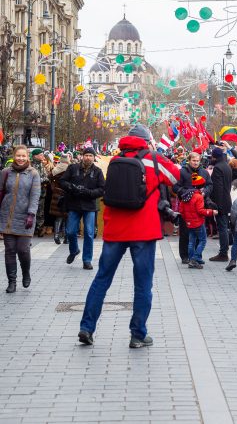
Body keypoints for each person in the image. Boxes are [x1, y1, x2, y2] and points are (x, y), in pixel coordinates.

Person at [78, 124, 180, 348]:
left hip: (115, 230)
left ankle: (86, 327)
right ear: (147, 141)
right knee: (143, 284)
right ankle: (138, 334)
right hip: (143, 231)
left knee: (102, 279)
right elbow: (176, 177)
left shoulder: (115, 160)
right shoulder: (153, 160)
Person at [0, 145, 41, 293]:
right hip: (7, 217)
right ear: (14, 156)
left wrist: (31, 214)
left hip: (25, 217)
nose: (21, 158)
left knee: (23, 250)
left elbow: (35, 196)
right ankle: (12, 282)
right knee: (10, 250)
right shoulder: (5, 172)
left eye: (23, 156)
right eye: (18, 156)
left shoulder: (33, 174)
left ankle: (26, 272)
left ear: (27, 157)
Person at [60, 147, 105, 270]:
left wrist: (88, 192)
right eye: (86, 155)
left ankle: (87, 260)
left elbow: (102, 189)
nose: (88, 157)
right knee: (70, 231)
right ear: (82, 156)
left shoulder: (97, 171)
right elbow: (62, 181)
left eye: (91, 155)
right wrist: (72, 187)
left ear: (94, 157)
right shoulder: (73, 168)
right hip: (74, 204)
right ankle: (74, 250)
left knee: (89, 233)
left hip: (89, 206)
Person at [172, 152, 213, 264]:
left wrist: (205, 192)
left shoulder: (204, 172)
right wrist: (186, 193)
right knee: (185, 233)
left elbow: (210, 185)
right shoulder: (182, 172)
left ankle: (196, 256)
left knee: (199, 234)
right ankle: (185, 256)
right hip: (186, 207)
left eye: (197, 160)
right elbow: (175, 186)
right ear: (189, 160)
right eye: (193, 160)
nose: (195, 163)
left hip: (199, 207)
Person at [179, 174, 217, 269]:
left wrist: (187, 219)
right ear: (201, 187)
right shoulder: (198, 197)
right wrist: (212, 212)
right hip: (198, 223)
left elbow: (181, 210)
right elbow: (200, 211)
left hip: (189, 223)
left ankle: (192, 258)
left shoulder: (186, 195)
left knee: (191, 241)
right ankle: (194, 259)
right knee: (203, 240)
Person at [209, 147, 233, 262]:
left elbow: (218, 189)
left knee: (222, 227)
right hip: (226, 200)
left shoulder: (218, 168)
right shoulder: (227, 166)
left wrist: (216, 205)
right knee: (224, 226)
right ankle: (224, 252)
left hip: (221, 202)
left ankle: (223, 253)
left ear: (215, 156)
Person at [49, 152, 71, 244]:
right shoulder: (70, 168)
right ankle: (66, 237)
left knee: (58, 216)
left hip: (57, 194)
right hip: (67, 194)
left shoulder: (56, 169)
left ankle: (56, 235)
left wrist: (53, 187)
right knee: (67, 216)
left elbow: (49, 177)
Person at [30, 148, 49, 237]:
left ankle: (40, 228)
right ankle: (31, 228)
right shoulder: (30, 165)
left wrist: (44, 179)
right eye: (40, 155)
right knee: (32, 209)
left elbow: (46, 177)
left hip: (42, 192)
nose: (42, 156)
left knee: (41, 211)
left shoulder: (42, 165)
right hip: (32, 191)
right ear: (35, 156)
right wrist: (42, 179)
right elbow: (32, 178)